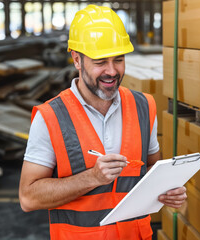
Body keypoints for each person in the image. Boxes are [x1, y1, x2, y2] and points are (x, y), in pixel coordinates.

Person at [19, 5, 186, 240]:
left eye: (119, 60)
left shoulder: (144, 106)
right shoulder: (50, 117)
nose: (112, 71)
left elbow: (150, 171)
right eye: (100, 62)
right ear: (77, 60)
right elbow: (28, 198)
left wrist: (166, 190)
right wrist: (92, 177)